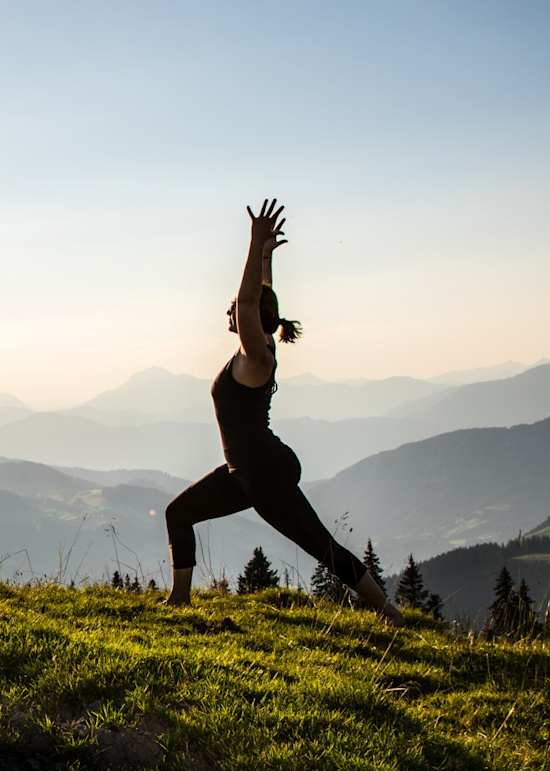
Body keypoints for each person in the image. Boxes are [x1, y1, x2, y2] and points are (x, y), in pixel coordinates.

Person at [162, 199, 402, 624]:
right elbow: (260, 299)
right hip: (245, 472)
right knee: (178, 513)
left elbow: (250, 301)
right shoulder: (264, 344)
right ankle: (178, 601)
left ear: (252, 319)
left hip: (266, 475)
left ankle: (388, 613)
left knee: (322, 548)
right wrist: (266, 257)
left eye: (235, 308)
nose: (230, 310)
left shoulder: (255, 357)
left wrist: (253, 244)